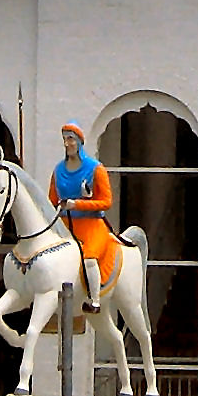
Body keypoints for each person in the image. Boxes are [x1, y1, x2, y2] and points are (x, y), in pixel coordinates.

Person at [54, 122, 118, 311]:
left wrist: (78, 204)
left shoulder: (96, 169)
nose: (67, 144)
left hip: (92, 224)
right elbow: (51, 199)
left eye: (71, 139)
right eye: (65, 139)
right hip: (65, 225)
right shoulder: (58, 170)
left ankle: (95, 299)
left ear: (80, 142)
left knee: (89, 258)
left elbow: (106, 201)